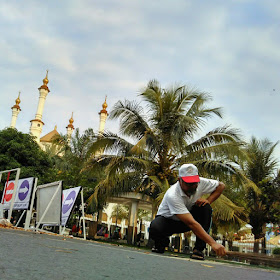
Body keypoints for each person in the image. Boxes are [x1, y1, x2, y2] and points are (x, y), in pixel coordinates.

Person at [149, 163, 226, 260]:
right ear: (179, 180)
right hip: (168, 221)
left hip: (188, 219)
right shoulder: (172, 195)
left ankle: (198, 250)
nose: (192, 186)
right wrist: (213, 243)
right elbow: (191, 223)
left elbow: (221, 186)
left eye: (194, 183)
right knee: (155, 227)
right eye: (188, 183)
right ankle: (162, 243)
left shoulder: (201, 183)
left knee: (205, 208)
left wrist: (208, 200)